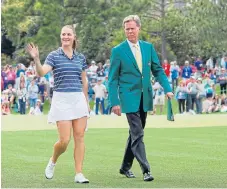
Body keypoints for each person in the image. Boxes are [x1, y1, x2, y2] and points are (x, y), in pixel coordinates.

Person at [108, 15, 173, 182]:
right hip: (128, 97)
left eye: (132, 28)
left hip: (145, 97)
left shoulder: (148, 47)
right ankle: (146, 170)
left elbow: (158, 70)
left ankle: (125, 167)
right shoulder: (118, 51)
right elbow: (112, 79)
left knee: (135, 134)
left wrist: (167, 89)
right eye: (127, 29)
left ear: (138, 28)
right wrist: (114, 102)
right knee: (137, 133)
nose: (129, 31)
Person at [26, 25, 90, 184]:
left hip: (78, 99)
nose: (66, 37)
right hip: (62, 99)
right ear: (61, 37)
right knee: (64, 140)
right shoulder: (54, 56)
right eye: (63, 34)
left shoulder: (80, 58)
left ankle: (79, 173)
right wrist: (36, 58)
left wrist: (86, 101)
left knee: (80, 136)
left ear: (74, 37)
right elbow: (41, 72)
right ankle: (53, 160)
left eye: (68, 34)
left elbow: (84, 80)